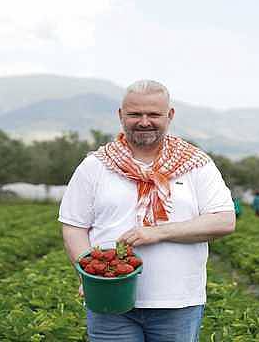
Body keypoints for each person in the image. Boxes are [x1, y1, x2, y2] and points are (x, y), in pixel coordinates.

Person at [59, 80, 236, 341]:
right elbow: (74, 226)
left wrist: (158, 232)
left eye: (153, 114)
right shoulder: (95, 165)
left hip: (177, 302)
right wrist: (89, 274)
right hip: (110, 303)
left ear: (170, 115)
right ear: (121, 116)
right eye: (134, 114)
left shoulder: (196, 164)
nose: (144, 122)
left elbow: (224, 221)